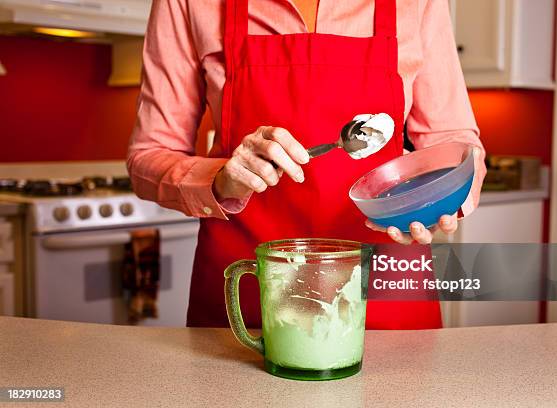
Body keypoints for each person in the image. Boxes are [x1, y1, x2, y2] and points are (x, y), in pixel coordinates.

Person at [127, 0, 486, 329]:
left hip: (384, 282)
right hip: (249, 286)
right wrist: (220, 179)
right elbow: (148, 154)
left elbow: (454, 142)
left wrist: (439, 203)